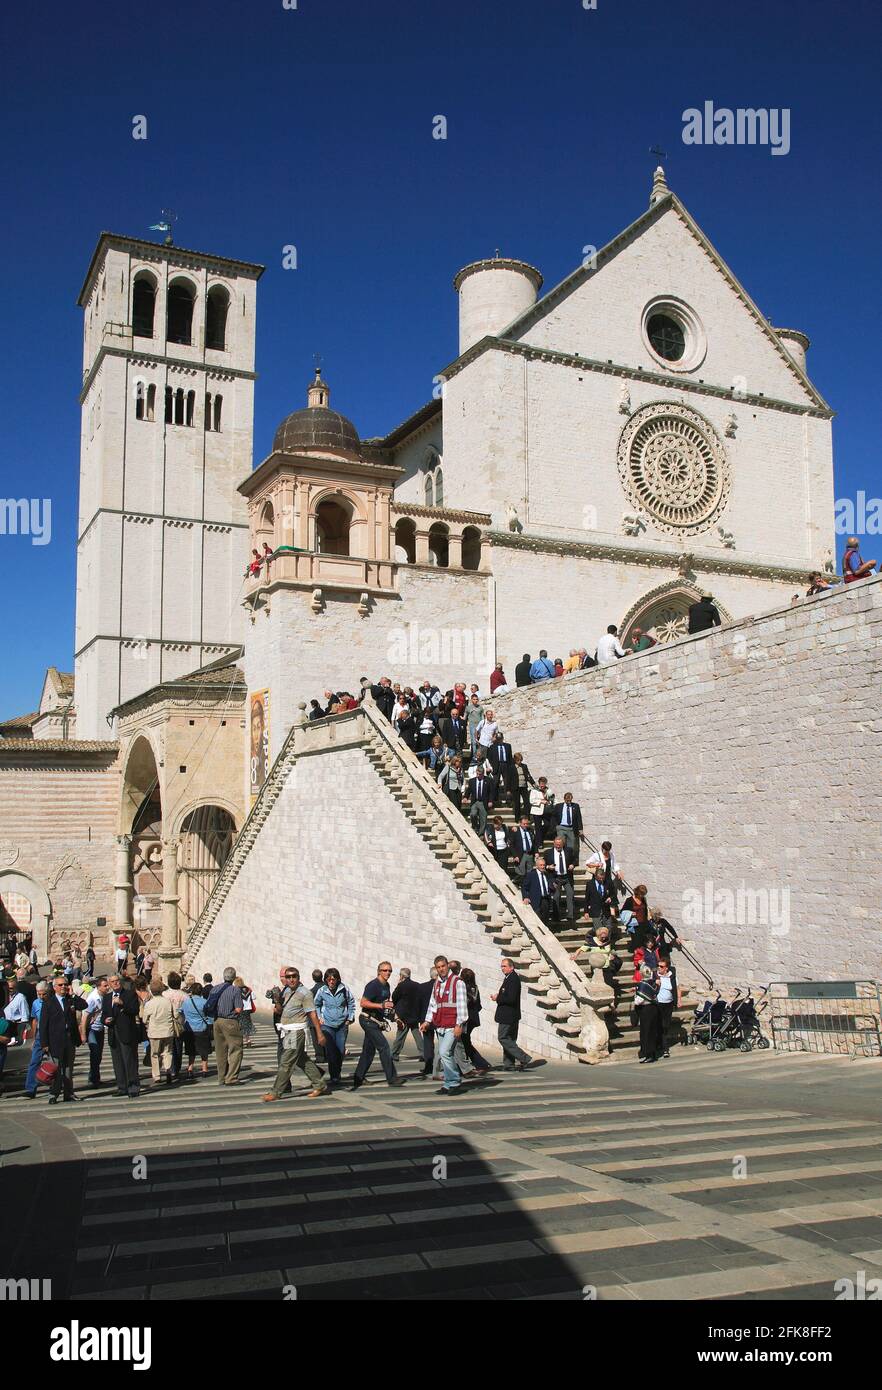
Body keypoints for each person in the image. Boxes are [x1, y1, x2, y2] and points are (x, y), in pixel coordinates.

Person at [263, 967, 328, 1100]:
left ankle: (276, 1092)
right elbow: (280, 1010)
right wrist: (276, 999)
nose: (291, 979)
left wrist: (319, 1033)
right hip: (287, 1030)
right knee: (301, 1059)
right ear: (285, 979)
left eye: (294, 976)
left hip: (296, 1031)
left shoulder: (305, 993)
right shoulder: (287, 990)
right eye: (289, 977)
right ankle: (319, 1084)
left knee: (286, 1061)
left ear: (299, 977)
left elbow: (312, 1014)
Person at [420, 955, 469, 1096]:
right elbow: (433, 1004)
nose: (441, 969)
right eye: (438, 967)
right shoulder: (437, 983)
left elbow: (461, 1005)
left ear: (447, 966)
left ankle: (454, 1081)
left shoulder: (457, 982)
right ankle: (448, 1084)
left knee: (444, 1052)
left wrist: (460, 1024)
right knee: (447, 1054)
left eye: (443, 966)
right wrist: (427, 1021)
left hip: (453, 1024)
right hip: (440, 1024)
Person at [351, 962, 404, 1090]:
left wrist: (396, 1018)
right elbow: (363, 1003)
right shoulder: (373, 985)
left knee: (368, 1051)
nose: (388, 973)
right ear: (379, 971)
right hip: (368, 1020)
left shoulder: (387, 986)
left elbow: (387, 1006)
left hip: (376, 1021)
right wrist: (380, 1006)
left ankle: (358, 1078)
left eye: (390, 971)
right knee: (384, 1047)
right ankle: (392, 1078)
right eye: (385, 970)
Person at [39, 975, 90, 1102]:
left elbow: (84, 1004)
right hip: (55, 1041)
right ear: (55, 987)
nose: (63, 987)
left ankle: (69, 1093)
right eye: (61, 985)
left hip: (69, 1039)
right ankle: (53, 1094)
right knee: (56, 1069)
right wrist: (44, 1043)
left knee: (68, 1068)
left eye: (65, 985)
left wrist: (72, 995)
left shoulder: (70, 1000)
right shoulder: (48, 1002)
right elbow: (43, 1024)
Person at [313, 967, 356, 1086]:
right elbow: (316, 1004)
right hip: (327, 1025)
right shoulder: (322, 990)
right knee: (331, 1051)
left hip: (342, 1024)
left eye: (334, 979)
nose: (331, 981)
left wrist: (349, 1018)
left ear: (337, 979)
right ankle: (334, 1076)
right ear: (326, 980)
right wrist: (319, 1017)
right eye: (329, 979)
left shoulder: (344, 989)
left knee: (340, 1051)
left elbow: (351, 1003)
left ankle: (337, 1072)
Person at [103, 974, 142, 1098]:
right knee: (117, 1062)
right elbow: (104, 1014)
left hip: (127, 1032)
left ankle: (133, 1086)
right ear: (109, 984)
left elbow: (135, 1010)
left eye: (117, 981)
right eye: (112, 981)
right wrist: (105, 1020)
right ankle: (122, 1087)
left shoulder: (129, 994)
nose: (115, 983)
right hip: (113, 1033)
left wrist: (122, 1004)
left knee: (129, 1060)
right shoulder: (107, 997)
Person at [490, 958, 533, 1071]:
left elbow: (511, 998)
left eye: (504, 966)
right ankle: (509, 1064)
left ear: (511, 967)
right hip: (511, 1014)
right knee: (510, 1039)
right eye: (502, 966)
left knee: (503, 1037)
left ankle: (524, 1057)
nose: (502, 968)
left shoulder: (513, 979)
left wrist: (497, 997)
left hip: (508, 1015)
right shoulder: (509, 978)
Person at [206, 967, 244, 1086]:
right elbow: (238, 1009)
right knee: (236, 1049)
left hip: (216, 1021)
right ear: (234, 977)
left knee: (220, 1051)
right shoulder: (235, 990)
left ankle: (221, 1077)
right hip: (230, 1021)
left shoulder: (215, 988)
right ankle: (231, 1077)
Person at [138, 978, 178, 1086]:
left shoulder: (149, 1004)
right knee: (167, 1052)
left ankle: (157, 1076)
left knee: (154, 1054)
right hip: (167, 1031)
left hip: (154, 1032)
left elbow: (144, 1019)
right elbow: (176, 1015)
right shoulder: (168, 1002)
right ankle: (168, 1070)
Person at [389, 967, 424, 1067]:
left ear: (401, 976)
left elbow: (394, 997)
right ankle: (424, 1054)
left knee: (400, 1035)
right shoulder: (417, 985)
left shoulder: (401, 986)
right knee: (417, 1035)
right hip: (414, 1014)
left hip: (403, 1015)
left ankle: (394, 1054)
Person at [21, 980, 49, 1098]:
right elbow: (34, 1020)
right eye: (39, 994)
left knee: (55, 1062)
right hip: (39, 1036)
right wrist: (33, 1037)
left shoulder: (53, 1002)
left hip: (51, 1034)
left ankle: (57, 1086)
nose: (41, 997)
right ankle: (30, 1088)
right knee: (34, 1062)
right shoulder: (36, 1003)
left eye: (43, 994)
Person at [459, 967, 491, 1072]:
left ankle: (480, 1063)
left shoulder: (463, 988)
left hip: (466, 1019)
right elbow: (479, 1006)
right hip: (473, 1018)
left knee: (464, 1042)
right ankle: (475, 1063)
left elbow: (463, 1004)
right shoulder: (475, 988)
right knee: (465, 1041)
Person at [82, 976, 109, 1087]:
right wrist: (83, 1034)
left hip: (100, 1028)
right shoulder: (93, 999)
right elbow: (85, 1016)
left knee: (98, 1055)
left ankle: (94, 1076)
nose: (108, 987)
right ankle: (93, 1079)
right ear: (98, 987)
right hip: (92, 1028)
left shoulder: (104, 996)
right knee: (95, 1052)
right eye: (105, 986)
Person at [180, 981, 211, 1079]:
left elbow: (181, 1012)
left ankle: (190, 1068)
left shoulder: (186, 1001)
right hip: (201, 1028)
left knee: (191, 1050)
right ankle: (204, 1069)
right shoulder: (204, 1002)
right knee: (204, 1050)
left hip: (189, 1029)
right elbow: (208, 1014)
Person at [654, 956, 683, 1058]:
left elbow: (678, 988)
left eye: (661, 966)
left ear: (666, 968)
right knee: (658, 1025)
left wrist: (679, 999)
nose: (659, 968)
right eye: (658, 966)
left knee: (665, 1025)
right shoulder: (655, 976)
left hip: (668, 1004)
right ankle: (661, 1046)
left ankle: (664, 1046)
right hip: (657, 1004)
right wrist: (655, 983)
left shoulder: (672, 977)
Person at [546, 836, 576, 925]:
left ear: (563, 844)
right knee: (556, 897)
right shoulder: (548, 852)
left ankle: (570, 916)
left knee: (570, 895)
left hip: (567, 877)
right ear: (554, 844)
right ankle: (556, 916)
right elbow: (543, 864)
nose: (558, 846)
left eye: (560, 844)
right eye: (556, 844)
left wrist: (573, 865)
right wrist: (548, 867)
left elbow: (575, 860)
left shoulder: (569, 851)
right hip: (556, 878)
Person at [586, 840, 623, 914]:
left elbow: (614, 865)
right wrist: (596, 865)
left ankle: (612, 915)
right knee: (600, 895)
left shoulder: (611, 855)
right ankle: (598, 912)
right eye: (605, 850)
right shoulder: (596, 855)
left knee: (612, 895)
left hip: (608, 877)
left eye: (608, 850)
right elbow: (587, 863)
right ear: (602, 848)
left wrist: (618, 872)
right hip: (599, 878)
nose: (607, 852)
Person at [634, 965, 660, 1062]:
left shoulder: (643, 984)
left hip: (646, 1010)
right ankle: (652, 1053)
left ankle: (648, 1054)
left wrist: (635, 998)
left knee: (646, 1032)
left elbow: (638, 1001)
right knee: (652, 1031)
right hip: (654, 1008)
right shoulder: (653, 982)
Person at [553, 792, 585, 862]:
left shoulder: (575, 806)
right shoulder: (558, 806)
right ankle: (560, 859)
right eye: (567, 800)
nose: (568, 802)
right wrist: (556, 826)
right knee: (560, 843)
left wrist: (580, 829)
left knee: (572, 846)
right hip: (561, 827)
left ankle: (570, 861)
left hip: (571, 828)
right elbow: (554, 816)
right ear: (564, 799)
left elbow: (578, 818)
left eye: (570, 800)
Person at [522, 856, 553, 925]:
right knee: (537, 920)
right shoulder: (531, 875)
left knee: (545, 919)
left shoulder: (547, 874)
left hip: (545, 899)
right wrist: (525, 897)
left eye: (544, 865)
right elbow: (524, 887)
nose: (542, 867)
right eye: (541, 865)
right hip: (535, 900)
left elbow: (548, 885)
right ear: (536, 866)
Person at [487, 731, 515, 804]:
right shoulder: (492, 747)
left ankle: (508, 799)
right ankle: (495, 798)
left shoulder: (508, 746)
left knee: (507, 782)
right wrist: (492, 765)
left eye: (500, 739)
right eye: (498, 739)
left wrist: (511, 766)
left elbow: (510, 757)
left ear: (503, 738)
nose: (499, 740)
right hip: (497, 765)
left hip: (506, 764)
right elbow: (489, 757)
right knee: (495, 782)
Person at [508, 817, 536, 884]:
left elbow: (534, 842)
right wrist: (515, 855)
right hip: (521, 854)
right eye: (524, 824)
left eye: (527, 824)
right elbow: (511, 845)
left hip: (530, 853)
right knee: (521, 872)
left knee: (530, 872)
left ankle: (527, 884)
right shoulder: (515, 831)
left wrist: (536, 852)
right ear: (520, 823)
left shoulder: (530, 830)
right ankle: (517, 882)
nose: (525, 825)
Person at [529, 776, 554, 848]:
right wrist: (541, 801)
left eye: (544, 783)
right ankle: (539, 843)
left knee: (547, 825)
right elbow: (531, 800)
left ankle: (538, 838)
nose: (542, 785)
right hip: (537, 811)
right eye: (541, 783)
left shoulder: (548, 790)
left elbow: (552, 798)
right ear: (539, 783)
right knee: (538, 827)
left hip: (546, 811)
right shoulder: (534, 790)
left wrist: (549, 802)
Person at [511, 752, 536, 821]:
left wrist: (533, 783)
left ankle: (527, 817)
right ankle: (517, 818)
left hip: (524, 786)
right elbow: (509, 778)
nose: (519, 762)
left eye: (520, 760)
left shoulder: (524, 766)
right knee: (517, 803)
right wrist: (508, 789)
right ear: (515, 760)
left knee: (527, 802)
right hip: (516, 787)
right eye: (518, 760)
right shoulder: (511, 767)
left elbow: (528, 775)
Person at [236, 977, 257, 1046]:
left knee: (240, 1025)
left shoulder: (236, 990)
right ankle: (248, 1040)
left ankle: (241, 1041)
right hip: (248, 1009)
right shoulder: (248, 989)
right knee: (247, 1024)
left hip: (241, 1009)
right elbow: (254, 997)